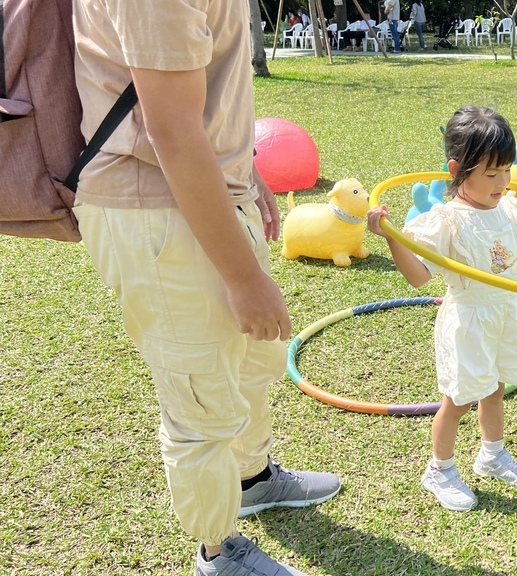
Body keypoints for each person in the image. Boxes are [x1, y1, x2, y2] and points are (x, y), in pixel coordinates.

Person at [71, 1, 341, 574]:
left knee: (251, 362)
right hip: (156, 207)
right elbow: (170, 131)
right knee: (199, 399)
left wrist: (244, 170)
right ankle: (218, 554)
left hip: (210, 191)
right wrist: (243, 277)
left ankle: (252, 481)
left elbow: (199, 95)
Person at [366, 106, 517, 512]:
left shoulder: (511, 208)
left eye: (506, 170)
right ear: (457, 170)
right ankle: (439, 470)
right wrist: (391, 237)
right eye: (491, 173)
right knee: (458, 400)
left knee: (495, 388)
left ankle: (492, 456)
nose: (503, 182)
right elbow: (418, 277)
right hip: (469, 320)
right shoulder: (447, 221)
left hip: (505, 314)